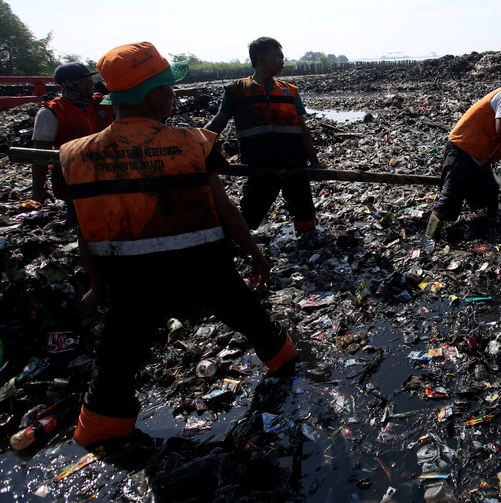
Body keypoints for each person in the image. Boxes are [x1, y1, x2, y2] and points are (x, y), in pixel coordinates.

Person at [60, 42, 295, 452]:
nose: (174, 95)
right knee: (264, 332)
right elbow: (225, 209)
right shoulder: (193, 143)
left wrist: (97, 287)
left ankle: (100, 429)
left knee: (116, 362)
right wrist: (254, 252)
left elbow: (86, 231)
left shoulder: (76, 156)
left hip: (130, 283)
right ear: (152, 95)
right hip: (206, 271)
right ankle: (286, 366)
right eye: (169, 88)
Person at [205, 37, 321, 235]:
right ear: (260, 57)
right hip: (259, 167)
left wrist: (314, 162)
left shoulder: (289, 91)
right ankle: (240, 242)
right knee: (249, 215)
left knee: (304, 214)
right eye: (277, 56)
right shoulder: (237, 91)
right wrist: (195, 147)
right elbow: (217, 124)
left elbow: (303, 131)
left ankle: (309, 246)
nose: (282, 61)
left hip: (294, 164)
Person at [31, 62, 111, 309]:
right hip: (74, 180)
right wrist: (38, 188)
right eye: (82, 80)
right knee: (87, 228)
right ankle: (97, 284)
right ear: (66, 84)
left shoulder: (100, 102)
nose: (88, 83)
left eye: (89, 79)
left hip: (109, 175)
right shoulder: (51, 112)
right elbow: (39, 154)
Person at [426, 72, 501, 239]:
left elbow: (500, 138)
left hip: (476, 156)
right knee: (449, 197)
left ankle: (491, 225)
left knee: (490, 191)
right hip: (462, 150)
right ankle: (429, 237)